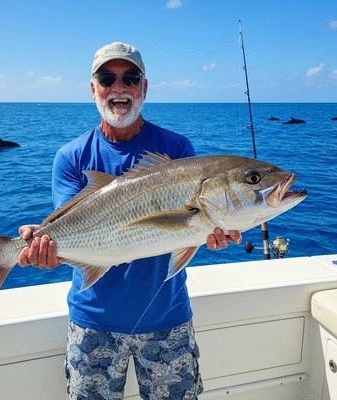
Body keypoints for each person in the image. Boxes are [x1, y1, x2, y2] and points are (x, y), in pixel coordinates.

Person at [18, 42, 242, 400]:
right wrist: (44, 249)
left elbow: (187, 232)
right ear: (94, 89)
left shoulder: (177, 149)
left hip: (167, 321)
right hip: (92, 323)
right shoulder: (71, 157)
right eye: (107, 78)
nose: (119, 87)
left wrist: (208, 237)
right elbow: (69, 234)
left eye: (130, 77)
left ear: (144, 87)